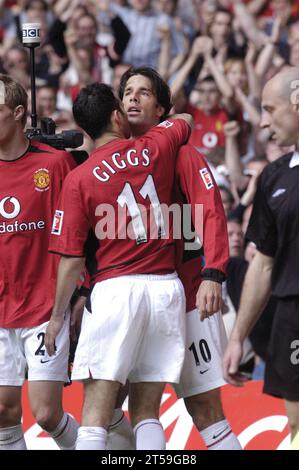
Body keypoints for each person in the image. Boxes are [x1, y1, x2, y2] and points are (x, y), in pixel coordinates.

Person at [45, 82, 192, 450]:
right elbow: (185, 119)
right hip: (165, 288)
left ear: (82, 129)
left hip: (115, 291)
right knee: (147, 411)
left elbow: (71, 258)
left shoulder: (79, 178)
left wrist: (58, 316)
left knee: (95, 413)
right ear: (116, 115)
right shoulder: (155, 146)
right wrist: (160, 126)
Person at [118, 66, 241, 450]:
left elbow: (210, 210)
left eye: (144, 92)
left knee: (204, 411)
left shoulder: (184, 152)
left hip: (189, 297)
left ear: (162, 110)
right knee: (132, 407)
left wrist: (214, 272)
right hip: (137, 298)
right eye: (127, 92)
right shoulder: (113, 159)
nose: (134, 98)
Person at [0, 74, 78, 450]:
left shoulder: (56, 162)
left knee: (46, 413)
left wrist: (79, 294)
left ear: (17, 113)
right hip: (1, 307)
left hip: (45, 306)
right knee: (3, 411)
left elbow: (78, 233)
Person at [223, 66, 299, 443]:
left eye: (270, 109)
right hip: (291, 313)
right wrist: (238, 336)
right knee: (297, 423)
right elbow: (263, 264)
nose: (264, 123)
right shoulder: (273, 176)